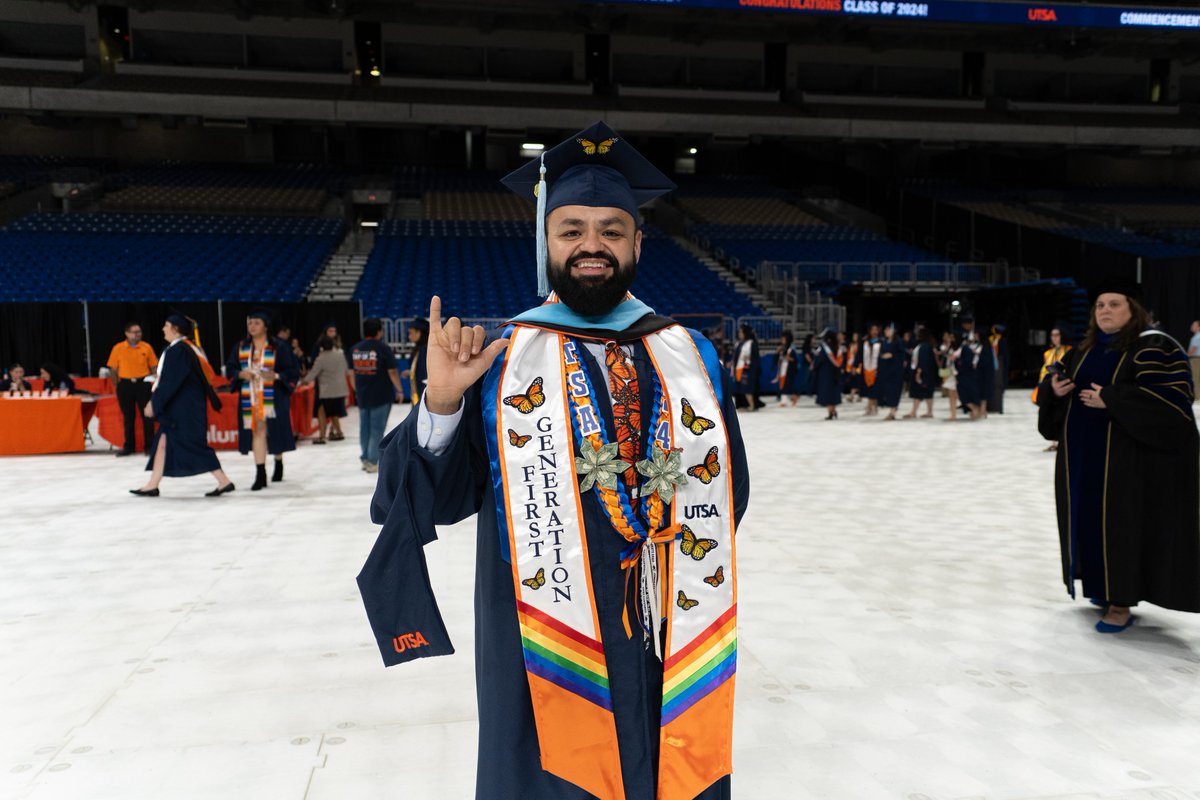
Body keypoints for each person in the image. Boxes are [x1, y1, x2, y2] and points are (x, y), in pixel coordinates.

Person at [357, 122, 750, 800]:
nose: (591, 247)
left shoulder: (686, 353)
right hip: (544, 637)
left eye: (610, 230)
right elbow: (428, 499)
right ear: (547, 241)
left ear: (636, 242)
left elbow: (729, 489)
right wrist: (443, 402)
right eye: (572, 230)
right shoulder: (506, 360)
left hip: (664, 621)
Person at [1038, 282, 1200, 633]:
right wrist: (1054, 390)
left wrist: (1113, 399)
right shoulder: (1084, 350)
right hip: (1083, 458)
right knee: (1090, 523)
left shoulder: (1154, 346)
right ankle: (1102, 588)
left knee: (1120, 525)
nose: (1105, 310)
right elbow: (1057, 389)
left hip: (1127, 463)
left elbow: (1172, 405)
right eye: (1099, 305)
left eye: (1114, 304)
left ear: (1133, 310)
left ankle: (1120, 603)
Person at [131, 315, 233, 498]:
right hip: (183, 406)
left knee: (194, 444)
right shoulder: (186, 348)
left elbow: (171, 382)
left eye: (166, 325)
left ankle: (223, 480)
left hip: (183, 409)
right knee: (162, 442)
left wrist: (154, 403)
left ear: (176, 329)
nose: (163, 328)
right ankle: (153, 484)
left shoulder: (179, 351)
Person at [225, 311, 300, 491]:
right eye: (250, 323)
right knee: (258, 430)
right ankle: (260, 473)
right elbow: (230, 369)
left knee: (274, 430)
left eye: (256, 323)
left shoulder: (279, 347)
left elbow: (292, 370)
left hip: (273, 396)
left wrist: (275, 375)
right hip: (249, 397)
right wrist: (240, 374)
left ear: (265, 326)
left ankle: (278, 460)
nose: (252, 326)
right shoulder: (241, 347)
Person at [349, 318, 402, 473]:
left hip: (363, 395)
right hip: (381, 395)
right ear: (379, 331)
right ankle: (373, 461)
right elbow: (392, 371)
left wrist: (356, 390)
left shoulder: (355, 349)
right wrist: (399, 389)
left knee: (364, 429)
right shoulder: (383, 348)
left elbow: (351, 373)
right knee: (377, 429)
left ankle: (365, 458)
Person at [107, 322, 159, 456]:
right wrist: (117, 385)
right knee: (128, 417)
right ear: (127, 333)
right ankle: (129, 446)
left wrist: (155, 382)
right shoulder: (118, 348)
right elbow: (113, 369)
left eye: (139, 332)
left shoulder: (146, 347)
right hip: (125, 384)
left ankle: (150, 446)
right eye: (135, 332)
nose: (138, 334)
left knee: (147, 416)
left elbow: (154, 366)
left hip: (143, 383)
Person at [301, 335, 349, 444]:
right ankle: (339, 433)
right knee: (334, 413)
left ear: (321, 347)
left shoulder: (321, 358)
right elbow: (346, 370)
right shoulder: (340, 355)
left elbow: (313, 374)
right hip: (341, 389)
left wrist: (302, 382)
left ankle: (322, 436)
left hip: (327, 390)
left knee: (321, 412)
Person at [1035, 327, 1072, 451]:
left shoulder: (1069, 351)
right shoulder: (1048, 353)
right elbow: (1044, 370)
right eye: (1052, 335)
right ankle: (1054, 442)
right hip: (1048, 386)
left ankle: (1060, 441)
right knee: (1049, 412)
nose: (1054, 337)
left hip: (1064, 386)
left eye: (1057, 335)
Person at [904, 326, 938, 418]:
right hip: (925, 372)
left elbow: (923, 360)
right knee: (924, 392)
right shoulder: (923, 345)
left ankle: (917, 412)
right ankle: (924, 411)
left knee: (920, 392)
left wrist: (919, 372)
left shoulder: (925, 346)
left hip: (923, 373)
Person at [876, 322, 905, 420]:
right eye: (885, 330)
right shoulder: (884, 342)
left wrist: (892, 355)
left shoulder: (898, 342)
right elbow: (880, 354)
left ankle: (892, 412)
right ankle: (891, 409)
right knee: (887, 392)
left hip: (895, 372)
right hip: (885, 371)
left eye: (888, 330)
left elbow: (903, 356)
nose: (886, 332)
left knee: (894, 392)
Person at [814, 327, 844, 420]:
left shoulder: (824, 348)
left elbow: (818, 360)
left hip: (825, 374)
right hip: (835, 374)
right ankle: (833, 410)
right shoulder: (838, 347)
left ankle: (830, 412)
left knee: (827, 393)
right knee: (833, 393)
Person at [732, 322, 763, 410]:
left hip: (747, 370)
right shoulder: (739, 343)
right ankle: (742, 404)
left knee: (747, 388)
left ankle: (751, 405)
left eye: (741, 332)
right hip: (739, 368)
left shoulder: (751, 343)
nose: (739, 334)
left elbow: (755, 359)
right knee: (739, 388)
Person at [401, 318, 430, 406]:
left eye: (411, 333)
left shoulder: (424, 350)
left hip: (423, 394)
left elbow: (424, 375)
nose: (409, 336)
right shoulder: (419, 349)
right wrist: (411, 372)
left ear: (419, 332)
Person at [987, 324, 1009, 414]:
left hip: (1000, 365)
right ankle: (992, 407)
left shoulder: (1002, 341)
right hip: (992, 365)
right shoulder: (991, 340)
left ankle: (999, 408)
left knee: (999, 387)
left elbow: (1006, 354)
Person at [860, 324, 882, 415]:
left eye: (876, 329)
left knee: (874, 388)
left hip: (876, 368)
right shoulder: (865, 342)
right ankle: (872, 406)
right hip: (866, 369)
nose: (874, 332)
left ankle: (871, 407)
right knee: (869, 389)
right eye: (872, 330)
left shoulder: (881, 342)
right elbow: (860, 355)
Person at [939, 332, 960, 421]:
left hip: (954, 373)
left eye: (951, 338)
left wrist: (955, 376)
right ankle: (953, 414)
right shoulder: (949, 348)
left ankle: (974, 408)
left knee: (956, 394)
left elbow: (954, 362)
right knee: (951, 395)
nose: (949, 339)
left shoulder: (957, 349)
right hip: (949, 372)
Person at [774, 330, 799, 405]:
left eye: (783, 339)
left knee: (787, 385)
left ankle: (788, 399)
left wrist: (790, 359)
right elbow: (776, 359)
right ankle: (790, 398)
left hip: (789, 370)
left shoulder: (791, 349)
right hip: (782, 369)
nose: (782, 340)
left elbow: (795, 360)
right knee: (783, 385)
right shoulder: (782, 348)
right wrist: (777, 352)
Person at [1188, 319, 1200, 393]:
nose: (1191, 326)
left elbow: (1193, 350)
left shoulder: (1197, 337)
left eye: (1194, 325)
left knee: (1195, 379)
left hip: (1196, 360)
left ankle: (1198, 399)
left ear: (1199, 327)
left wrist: (1185, 356)